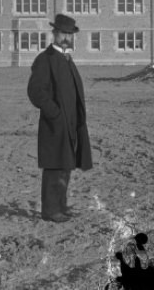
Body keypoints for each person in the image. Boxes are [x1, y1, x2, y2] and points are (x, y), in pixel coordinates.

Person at [27, 14, 93, 222]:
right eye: (62, 33)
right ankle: (50, 210)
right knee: (54, 166)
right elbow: (36, 92)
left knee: (65, 165)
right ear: (54, 34)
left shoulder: (66, 58)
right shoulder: (45, 59)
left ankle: (61, 206)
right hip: (54, 123)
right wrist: (54, 114)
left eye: (69, 34)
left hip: (71, 122)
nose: (66, 38)